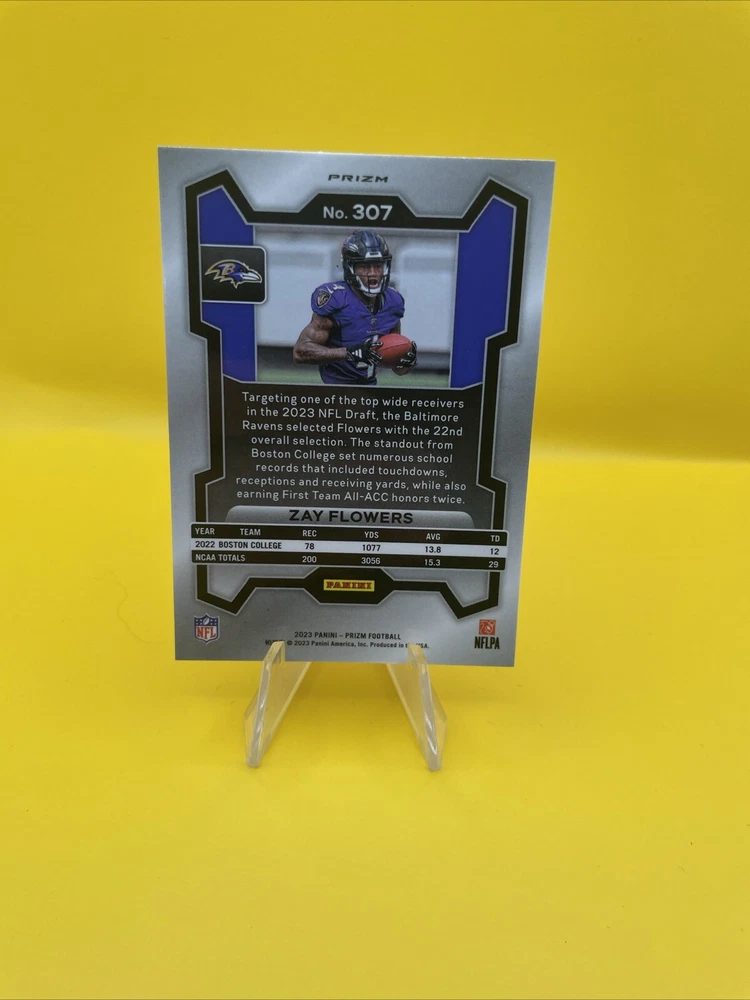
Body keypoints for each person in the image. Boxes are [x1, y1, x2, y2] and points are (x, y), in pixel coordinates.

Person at [292, 230, 417, 385]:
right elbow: (300, 352)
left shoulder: (393, 302)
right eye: (364, 267)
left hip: (369, 389)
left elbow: (395, 367)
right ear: (350, 268)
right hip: (334, 390)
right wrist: (348, 353)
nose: (373, 273)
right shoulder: (337, 300)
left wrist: (405, 362)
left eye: (378, 266)